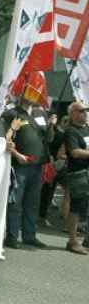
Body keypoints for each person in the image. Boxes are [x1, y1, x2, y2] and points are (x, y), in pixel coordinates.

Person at [2, 93, 49, 249]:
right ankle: (12, 236)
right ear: (21, 93)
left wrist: (52, 126)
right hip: (19, 165)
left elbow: (48, 138)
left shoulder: (40, 113)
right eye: (30, 90)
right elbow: (5, 139)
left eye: (36, 91)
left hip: (37, 165)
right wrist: (16, 154)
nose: (34, 94)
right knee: (16, 202)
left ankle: (29, 236)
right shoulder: (11, 114)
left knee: (32, 203)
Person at [62, 102, 89, 254]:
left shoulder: (86, 128)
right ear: (72, 113)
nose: (85, 113)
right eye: (81, 111)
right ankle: (72, 241)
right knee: (77, 207)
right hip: (78, 174)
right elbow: (75, 152)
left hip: (87, 171)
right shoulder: (71, 131)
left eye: (86, 111)